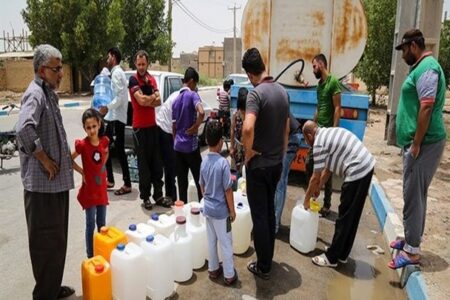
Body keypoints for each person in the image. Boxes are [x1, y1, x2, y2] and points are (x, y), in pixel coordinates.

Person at [16, 44, 75, 299]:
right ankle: (44, 294)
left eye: (61, 68)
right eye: (56, 69)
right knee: (45, 246)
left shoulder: (49, 93)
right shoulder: (35, 94)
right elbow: (23, 129)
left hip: (56, 186)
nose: (61, 73)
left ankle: (52, 287)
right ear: (42, 70)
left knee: (57, 243)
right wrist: (43, 158)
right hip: (42, 189)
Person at [388, 29, 447, 269]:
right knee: (416, 194)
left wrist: (416, 143)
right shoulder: (422, 68)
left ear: (413, 46)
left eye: (404, 50)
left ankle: (412, 252)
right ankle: (411, 240)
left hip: (425, 144)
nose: (403, 56)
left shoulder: (428, 69)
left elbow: (426, 107)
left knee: (412, 194)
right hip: (422, 143)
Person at [241, 48, 290, 279]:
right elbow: (286, 128)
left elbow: (248, 127)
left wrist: (249, 153)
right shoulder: (282, 91)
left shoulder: (256, 94)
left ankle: (263, 266)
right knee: (269, 212)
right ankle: (268, 258)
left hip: (259, 167)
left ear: (250, 74)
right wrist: (281, 157)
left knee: (260, 216)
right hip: (276, 164)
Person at [302, 121, 375, 267]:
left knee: (344, 215)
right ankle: (342, 253)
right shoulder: (326, 134)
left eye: (306, 139)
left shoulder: (318, 143)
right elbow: (327, 169)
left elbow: (314, 177)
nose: (307, 143)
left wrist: (306, 200)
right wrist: (319, 188)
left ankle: (331, 258)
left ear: (309, 135)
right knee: (352, 216)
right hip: (366, 166)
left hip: (357, 170)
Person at [199, 120, 238, 285]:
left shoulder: (204, 161)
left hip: (207, 209)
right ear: (221, 141)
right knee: (226, 242)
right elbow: (228, 190)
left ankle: (213, 269)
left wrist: (207, 198)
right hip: (222, 213)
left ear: (207, 141)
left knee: (212, 240)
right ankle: (229, 274)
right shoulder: (223, 163)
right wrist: (232, 210)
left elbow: (202, 186)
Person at [306, 53, 341, 217]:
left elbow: (337, 108)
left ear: (321, 64)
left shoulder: (333, 82)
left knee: (328, 168)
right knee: (309, 163)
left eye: (314, 66)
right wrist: (312, 126)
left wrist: (334, 131)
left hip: (329, 133)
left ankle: (326, 204)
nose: (313, 70)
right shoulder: (319, 86)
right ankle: (312, 192)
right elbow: (319, 108)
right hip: (318, 132)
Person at [128, 50, 164, 210]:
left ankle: (158, 195)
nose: (141, 67)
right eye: (139, 64)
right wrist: (150, 98)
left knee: (156, 163)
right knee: (144, 166)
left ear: (147, 63)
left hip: (152, 127)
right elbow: (141, 101)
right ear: (136, 64)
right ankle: (146, 197)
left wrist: (147, 99)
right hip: (139, 129)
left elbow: (159, 101)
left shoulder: (151, 79)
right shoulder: (133, 79)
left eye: (144, 64)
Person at [71, 109, 109, 258]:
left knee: (102, 224)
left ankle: (101, 251)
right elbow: (70, 159)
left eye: (94, 126)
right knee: (90, 224)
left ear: (99, 124)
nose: (92, 130)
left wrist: (103, 167)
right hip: (89, 191)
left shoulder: (104, 141)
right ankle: (91, 255)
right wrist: (82, 172)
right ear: (84, 128)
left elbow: (105, 152)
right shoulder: (82, 145)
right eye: (88, 127)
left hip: (101, 190)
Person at [99, 47, 132, 196]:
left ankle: (127, 184)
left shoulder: (117, 73)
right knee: (105, 145)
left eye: (108, 56)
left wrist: (107, 107)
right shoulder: (116, 73)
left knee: (119, 150)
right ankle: (110, 180)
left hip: (117, 117)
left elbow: (120, 98)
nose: (107, 59)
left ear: (113, 57)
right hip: (113, 117)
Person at [172, 67, 205, 203]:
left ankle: (183, 212)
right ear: (191, 82)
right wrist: (196, 127)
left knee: (182, 182)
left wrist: (176, 141)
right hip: (190, 147)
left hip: (178, 147)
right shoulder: (192, 95)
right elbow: (201, 112)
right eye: (196, 84)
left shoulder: (175, 100)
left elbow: (173, 126)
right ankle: (203, 208)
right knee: (199, 180)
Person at [274, 112, 302, 233]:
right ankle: (277, 220)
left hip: (291, 140)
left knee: (280, 183)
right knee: (283, 181)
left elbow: (285, 130)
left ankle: (274, 225)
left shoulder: (274, 106)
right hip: (293, 137)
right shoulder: (274, 102)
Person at [229, 87, 248, 175]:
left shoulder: (251, 115)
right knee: (236, 173)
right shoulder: (235, 114)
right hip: (237, 148)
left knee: (246, 173)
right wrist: (231, 147)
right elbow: (232, 131)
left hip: (247, 148)